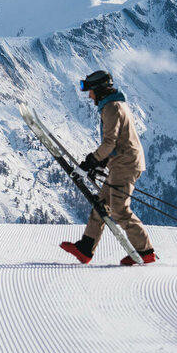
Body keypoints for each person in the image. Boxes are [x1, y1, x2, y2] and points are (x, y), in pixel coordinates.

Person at [60, 70, 157, 266]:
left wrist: (89, 163)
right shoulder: (114, 104)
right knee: (100, 206)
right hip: (122, 162)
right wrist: (100, 164)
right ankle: (85, 249)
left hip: (126, 164)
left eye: (91, 91)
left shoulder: (112, 108)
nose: (89, 95)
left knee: (120, 210)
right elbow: (117, 141)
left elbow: (109, 143)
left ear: (100, 90)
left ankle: (145, 251)